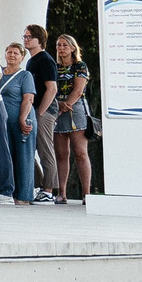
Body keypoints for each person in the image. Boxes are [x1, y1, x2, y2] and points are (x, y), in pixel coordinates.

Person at [0, 42, 33, 206]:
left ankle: (24, 195)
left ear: (22, 57)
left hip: (19, 120)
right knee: (0, 156)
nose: (12, 55)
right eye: (9, 52)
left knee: (22, 157)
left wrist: (22, 118)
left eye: (16, 53)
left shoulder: (25, 75)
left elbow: (28, 98)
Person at [51, 33, 93, 204]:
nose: (61, 48)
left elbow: (78, 90)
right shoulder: (54, 67)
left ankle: (86, 194)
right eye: (59, 45)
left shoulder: (80, 66)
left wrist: (66, 105)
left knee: (81, 153)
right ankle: (62, 192)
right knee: (61, 154)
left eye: (65, 45)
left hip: (75, 109)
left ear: (73, 48)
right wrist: (57, 105)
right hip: (56, 107)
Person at [22, 24, 59, 197]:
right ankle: (37, 183)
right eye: (25, 37)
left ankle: (48, 189)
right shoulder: (30, 61)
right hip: (33, 110)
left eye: (30, 37)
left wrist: (41, 112)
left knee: (45, 149)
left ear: (40, 40)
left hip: (45, 110)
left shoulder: (45, 59)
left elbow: (51, 88)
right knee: (28, 147)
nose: (26, 40)